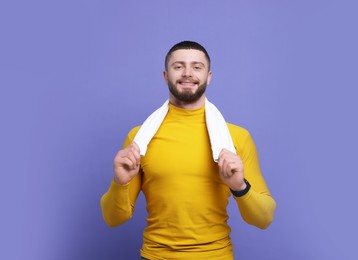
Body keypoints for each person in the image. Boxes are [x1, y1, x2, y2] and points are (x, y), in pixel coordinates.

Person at [100, 41, 276, 260]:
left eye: (197, 67)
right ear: (166, 75)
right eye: (178, 66)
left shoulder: (236, 139)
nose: (187, 73)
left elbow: (264, 218)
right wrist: (121, 182)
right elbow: (113, 218)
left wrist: (239, 187)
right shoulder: (139, 139)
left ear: (209, 76)